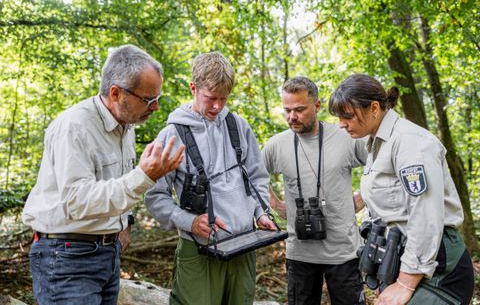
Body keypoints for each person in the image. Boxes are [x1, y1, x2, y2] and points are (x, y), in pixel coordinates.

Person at [22, 44, 185, 305]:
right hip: (67, 258)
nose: (155, 107)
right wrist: (145, 175)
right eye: (148, 99)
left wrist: (125, 223)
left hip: (107, 254)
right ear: (116, 93)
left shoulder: (126, 126)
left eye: (157, 98)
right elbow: (77, 201)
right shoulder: (74, 127)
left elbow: (115, 182)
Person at [328, 74, 474, 305]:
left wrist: (405, 282)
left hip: (438, 270)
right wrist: (384, 272)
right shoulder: (376, 145)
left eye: (347, 116)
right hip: (402, 258)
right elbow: (383, 211)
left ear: (374, 108)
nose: (341, 124)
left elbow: (425, 216)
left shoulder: (411, 143)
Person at [145, 51, 276, 305]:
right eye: (211, 98)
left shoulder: (239, 126)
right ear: (193, 88)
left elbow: (257, 177)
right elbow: (155, 196)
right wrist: (189, 221)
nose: (217, 106)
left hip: (243, 246)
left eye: (223, 99)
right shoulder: (172, 135)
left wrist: (261, 212)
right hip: (199, 250)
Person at [261, 76, 367, 305]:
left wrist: (365, 196)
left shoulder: (345, 137)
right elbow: (254, 177)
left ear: (317, 106)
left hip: (344, 253)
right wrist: (275, 204)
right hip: (299, 254)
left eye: (299, 109)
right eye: (287, 110)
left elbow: (380, 163)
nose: (292, 117)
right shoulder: (276, 145)